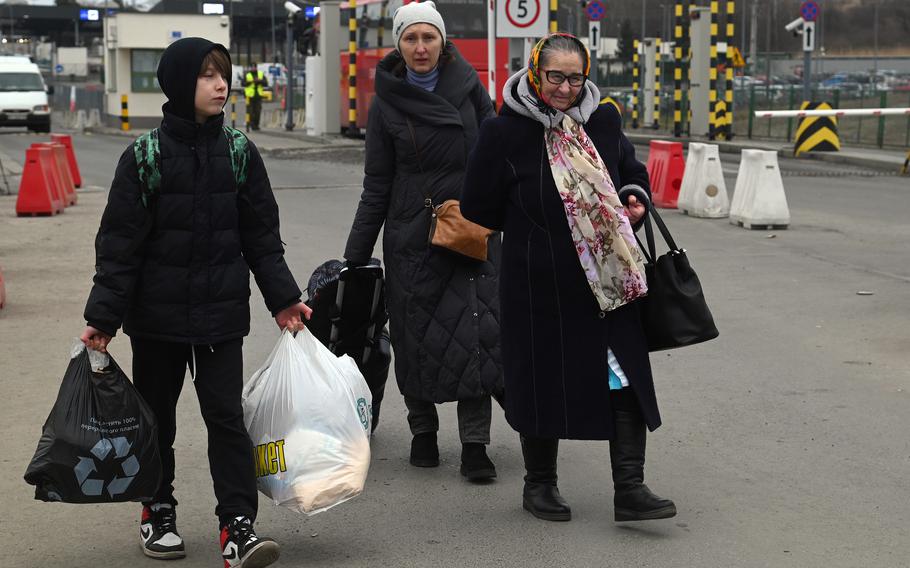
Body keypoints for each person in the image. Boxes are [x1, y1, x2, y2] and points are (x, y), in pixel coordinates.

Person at [80, 37, 309, 567]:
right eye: (208, 75)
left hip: (220, 317)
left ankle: (237, 526)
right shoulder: (145, 156)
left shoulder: (239, 151)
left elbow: (261, 237)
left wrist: (284, 300)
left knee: (226, 418)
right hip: (156, 320)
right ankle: (157, 510)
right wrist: (103, 317)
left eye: (223, 74)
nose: (220, 85)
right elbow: (119, 246)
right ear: (181, 84)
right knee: (157, 418)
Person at [461, 33, 676, 522]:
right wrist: (532, 226)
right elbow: (477, 205)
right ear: (536, 71)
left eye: (574, 77)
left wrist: (632, 195)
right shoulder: (504, 132)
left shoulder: (603, 119)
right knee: (542, 381)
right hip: (539, 284)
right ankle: (540, 486)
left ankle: (630, 488)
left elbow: (628, 168)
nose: (564, 88)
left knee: (623, 380)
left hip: (609, 280)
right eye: (554, 76)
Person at [343, 1, 502, 481]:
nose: (420, 47)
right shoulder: (386, 102)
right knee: (416, 336)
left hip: (471, 229)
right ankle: (423, 433)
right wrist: (355, 254)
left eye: (428, 37)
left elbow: (498, 157)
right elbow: (377, 184)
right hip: (413, 233)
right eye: (410, 38)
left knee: (474, 333)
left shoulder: (471, 88)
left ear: (442, 41)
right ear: (398, 44)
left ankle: (475, 445)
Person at [244, 65, 268, 130]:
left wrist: (259, 81)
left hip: (258, 96)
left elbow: (266, 83)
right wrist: (251, 82)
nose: (253, 68)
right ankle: (251, 125)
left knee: (257, 112)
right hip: (249, 97)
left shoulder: (260, 74)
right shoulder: (247, 75)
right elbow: (243, 83)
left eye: (254, 67)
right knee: (250, 112)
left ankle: (256, 125)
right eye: (252, 67)